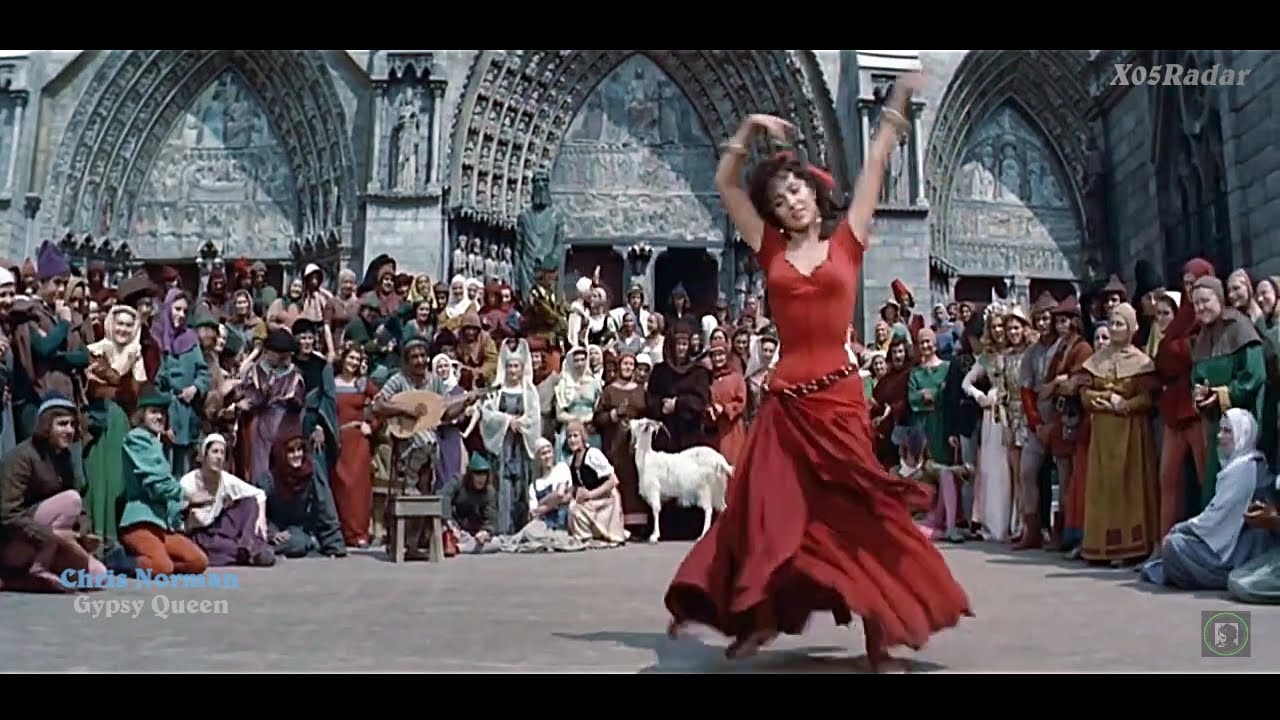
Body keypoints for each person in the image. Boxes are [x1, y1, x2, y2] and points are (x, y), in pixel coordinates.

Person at [664, 77, 971, 671]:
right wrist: (749, 129)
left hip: (839, 401)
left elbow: (876, 162)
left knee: (859, 516)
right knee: (766, 515)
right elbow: (726, 184)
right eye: (779, 200)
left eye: (796, 190)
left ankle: (879, 636)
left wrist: (896, 106)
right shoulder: (770, 250)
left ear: (814, 190)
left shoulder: (848, 242)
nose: (791, 202)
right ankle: (757, 616)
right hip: (786, 407)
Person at [1143, 408, 1275, 589]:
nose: (1220, 436)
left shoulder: (1245, 470)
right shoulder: (1238, 466)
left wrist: (1181, 528)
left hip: (1243, 550)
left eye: (1227, 431)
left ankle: (1223, 576)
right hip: (1231, 543)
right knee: (1175, 545)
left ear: (1242, 435)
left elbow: (1216, 518)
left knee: (1173, 546)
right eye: (1221, 430)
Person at [118, 388, 211, 575]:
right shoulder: (137, 438)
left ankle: (159, 562)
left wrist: (185, 505)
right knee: (161, 567)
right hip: (141, 522)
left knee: (198, 561)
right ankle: (119, 562)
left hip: (162, 524)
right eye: (153, 412)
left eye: (162, 413)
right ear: (142, 415)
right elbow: (157, 483)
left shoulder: (156, 442)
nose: (159, 417)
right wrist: (187, 495)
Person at [180, 434, 275, 567]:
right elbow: (175, 511)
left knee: (250, 503)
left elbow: (259, 494)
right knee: (220, 547)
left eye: (222, 453)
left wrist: (261, 519)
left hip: (220, 526)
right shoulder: (188, 482)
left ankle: (249, 546)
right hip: (200, 534)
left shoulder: (225, 479)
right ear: (204, 456)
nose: (219, 457)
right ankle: (251, 551)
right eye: (215, 452)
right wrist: (191, 503)